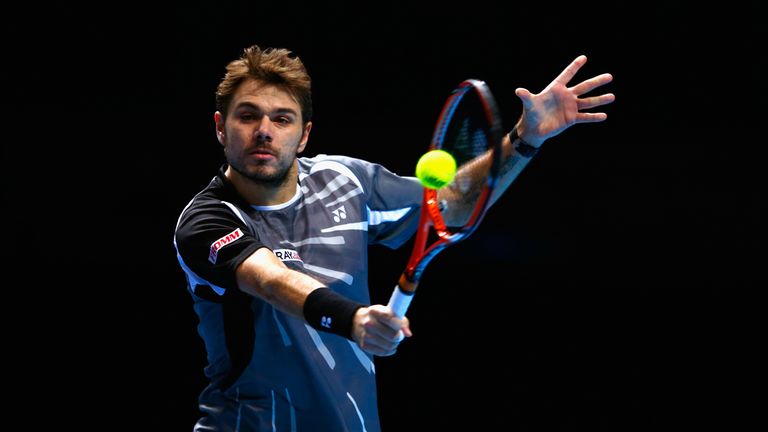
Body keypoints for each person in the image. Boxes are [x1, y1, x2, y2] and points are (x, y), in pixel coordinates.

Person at [173, 44, 615, 431]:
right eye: (248, 116)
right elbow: (270, 280)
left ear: (304, 134)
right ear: (220, 127)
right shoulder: (206, 220)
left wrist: (524, 139)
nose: (264, 131)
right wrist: (354, 320)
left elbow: (449, 205)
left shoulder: (345, 181)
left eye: (282, 119)